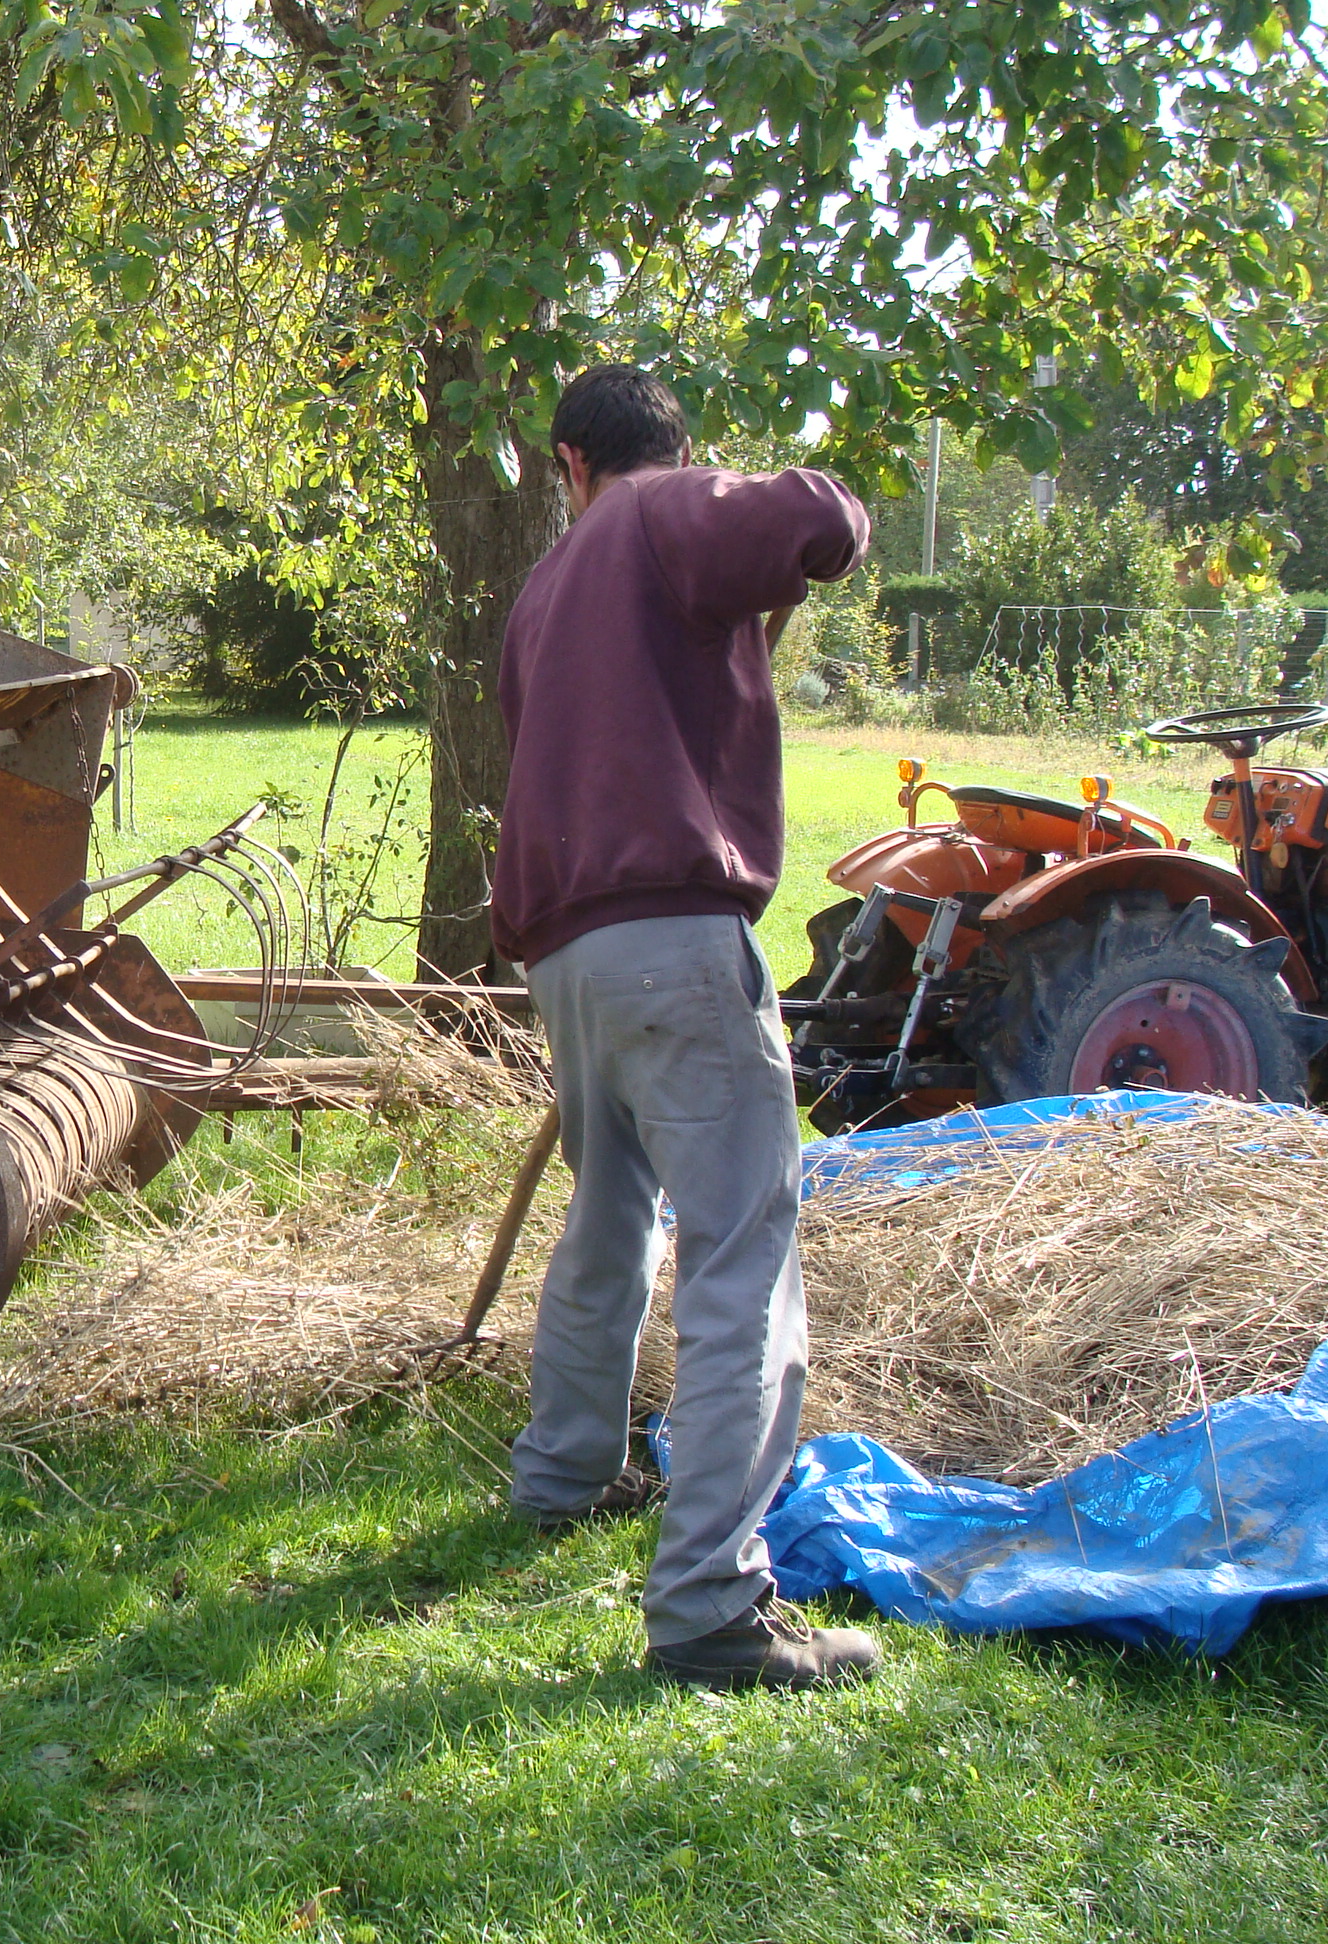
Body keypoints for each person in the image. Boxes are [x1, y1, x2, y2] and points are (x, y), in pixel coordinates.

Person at [491, 364, 879, 1692]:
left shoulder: (541, 592)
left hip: (566, 950)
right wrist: (754, 486)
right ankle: (713, 1604)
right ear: (651, 458)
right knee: (742, 1258)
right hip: (668, 935)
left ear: (567, 463)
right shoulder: (659, 513)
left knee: (609, 1213)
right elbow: (822, 521)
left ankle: (560, 1473)